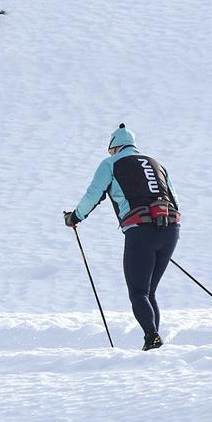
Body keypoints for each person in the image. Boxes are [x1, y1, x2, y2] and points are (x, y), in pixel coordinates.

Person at [64, 125, 180, 350]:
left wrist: (75, 217)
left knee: (138, 292)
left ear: (114, 147)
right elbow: (174, 199)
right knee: (149, 291)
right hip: (170, 230)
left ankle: (152, 337)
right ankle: (155, 342)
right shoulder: (157, 164)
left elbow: (94, 194)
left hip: (140, 231)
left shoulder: (110, 164)